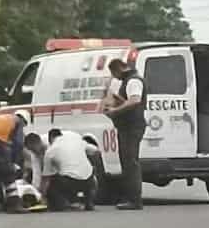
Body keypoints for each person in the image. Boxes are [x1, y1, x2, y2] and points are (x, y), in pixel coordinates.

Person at [101, 58, 147, 210]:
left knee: (130, 162)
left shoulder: (133, 81)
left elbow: (134, 101)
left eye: (114, 73)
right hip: (128, 126)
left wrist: (115, 110)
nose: (115, 77)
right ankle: (130, 197)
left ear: (119, 68)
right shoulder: (129, 80)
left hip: (132, 126)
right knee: (127, 161)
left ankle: (134, 200)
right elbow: (128, 101)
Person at [40, 128, 98, 212]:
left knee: (53, 180)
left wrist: (42, 196)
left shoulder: (50, 151)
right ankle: (88, 201)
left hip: (69, 183)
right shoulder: (76, 140)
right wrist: (93, 167)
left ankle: (62, 204)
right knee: (85, 172)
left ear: (50, 139)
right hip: (88, 180)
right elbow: (96, 151)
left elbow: (46, 178)